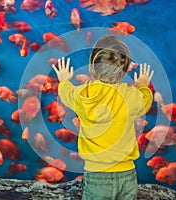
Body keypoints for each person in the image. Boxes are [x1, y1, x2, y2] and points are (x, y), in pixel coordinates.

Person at [52, 35, 154, 200]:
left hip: (96, 175)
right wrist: (143, 85)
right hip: (126, 174)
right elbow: (146, 101)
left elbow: (65, 93)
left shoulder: (83, 94)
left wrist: (64, 81)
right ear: (125, 68)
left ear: (92, 67)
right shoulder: (131, 96)